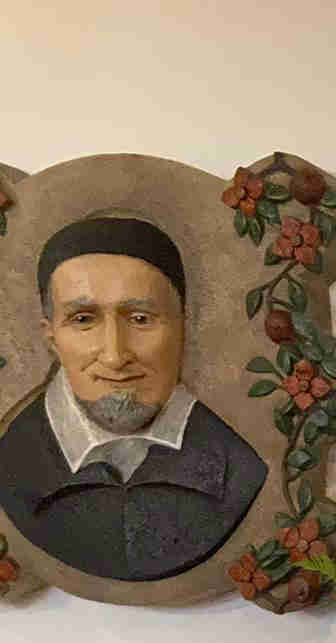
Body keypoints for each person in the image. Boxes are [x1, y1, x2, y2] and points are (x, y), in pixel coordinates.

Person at [0, 216, 266, 581]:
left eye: (141, 319)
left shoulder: (239, 468)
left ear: (182, 327)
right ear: (51, 338)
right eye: (83, 319)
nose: (114, 355)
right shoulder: (12, 460)